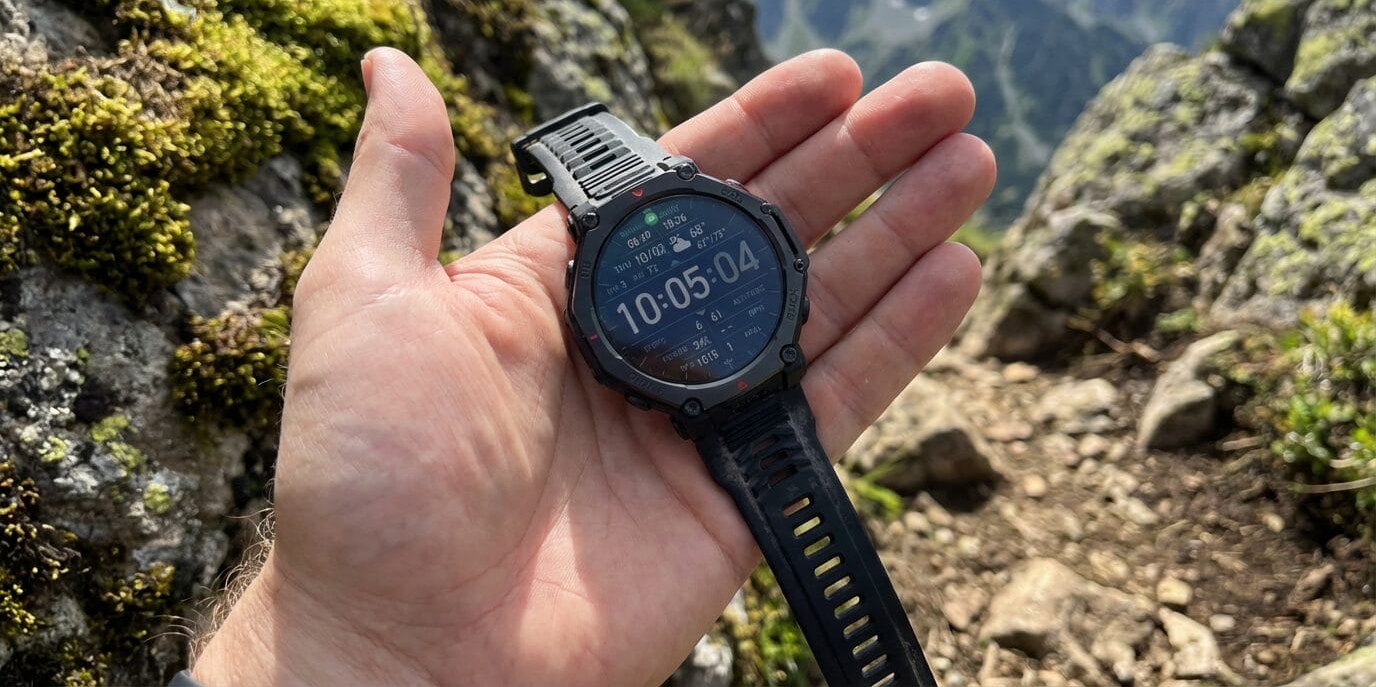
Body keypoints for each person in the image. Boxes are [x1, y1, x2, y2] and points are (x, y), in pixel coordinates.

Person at [187, 46, 994, 686]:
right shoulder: (668, 273)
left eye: (711, 274)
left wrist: (338, 651)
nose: (687, 292)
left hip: (757, 376)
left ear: (776, 244)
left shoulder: (686, 264)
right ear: (590, 332)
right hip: (741, 383)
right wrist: (343, 636)